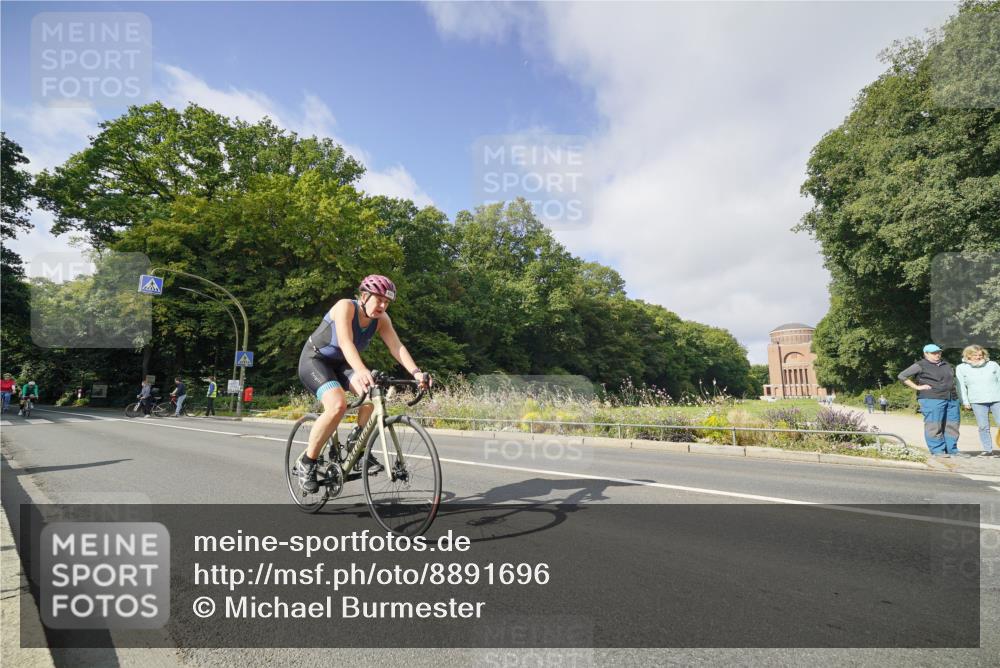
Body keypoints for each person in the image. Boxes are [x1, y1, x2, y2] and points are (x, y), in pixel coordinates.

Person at [295, 275, 431, 493]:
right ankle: (307, 462)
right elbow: (346, 342)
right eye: (379, 300)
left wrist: (416, 373)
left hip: (342, 364)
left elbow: (397, 347)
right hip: (316, 360)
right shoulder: (344, 307)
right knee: (337, 405)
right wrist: (361, 370)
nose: (383, 306)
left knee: (372, 396)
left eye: (387, 303)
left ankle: (356, 443)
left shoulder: (382, 319)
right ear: (365, 296)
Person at [898, 344, 963, 458]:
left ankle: (952, 450)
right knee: (934, 425)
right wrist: (917, 387)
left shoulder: (946, 364)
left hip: (951, 398)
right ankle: (937, 451)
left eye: (938, 352)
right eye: (934, 353)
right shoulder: (920, 365)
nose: (937, 354)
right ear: (926, 354)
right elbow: (902, 376)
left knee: (953, 425)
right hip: (931, 398)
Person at [955, 345, 1000, 457]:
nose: (978, 357)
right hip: (977, 400)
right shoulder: (961, 368)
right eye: (975, 355)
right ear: (968, 355)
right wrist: (965, 401)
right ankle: (988, 450)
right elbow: (961, 387)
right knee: (983, 426)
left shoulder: (993, 365)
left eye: (980, 355)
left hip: (997, 398)